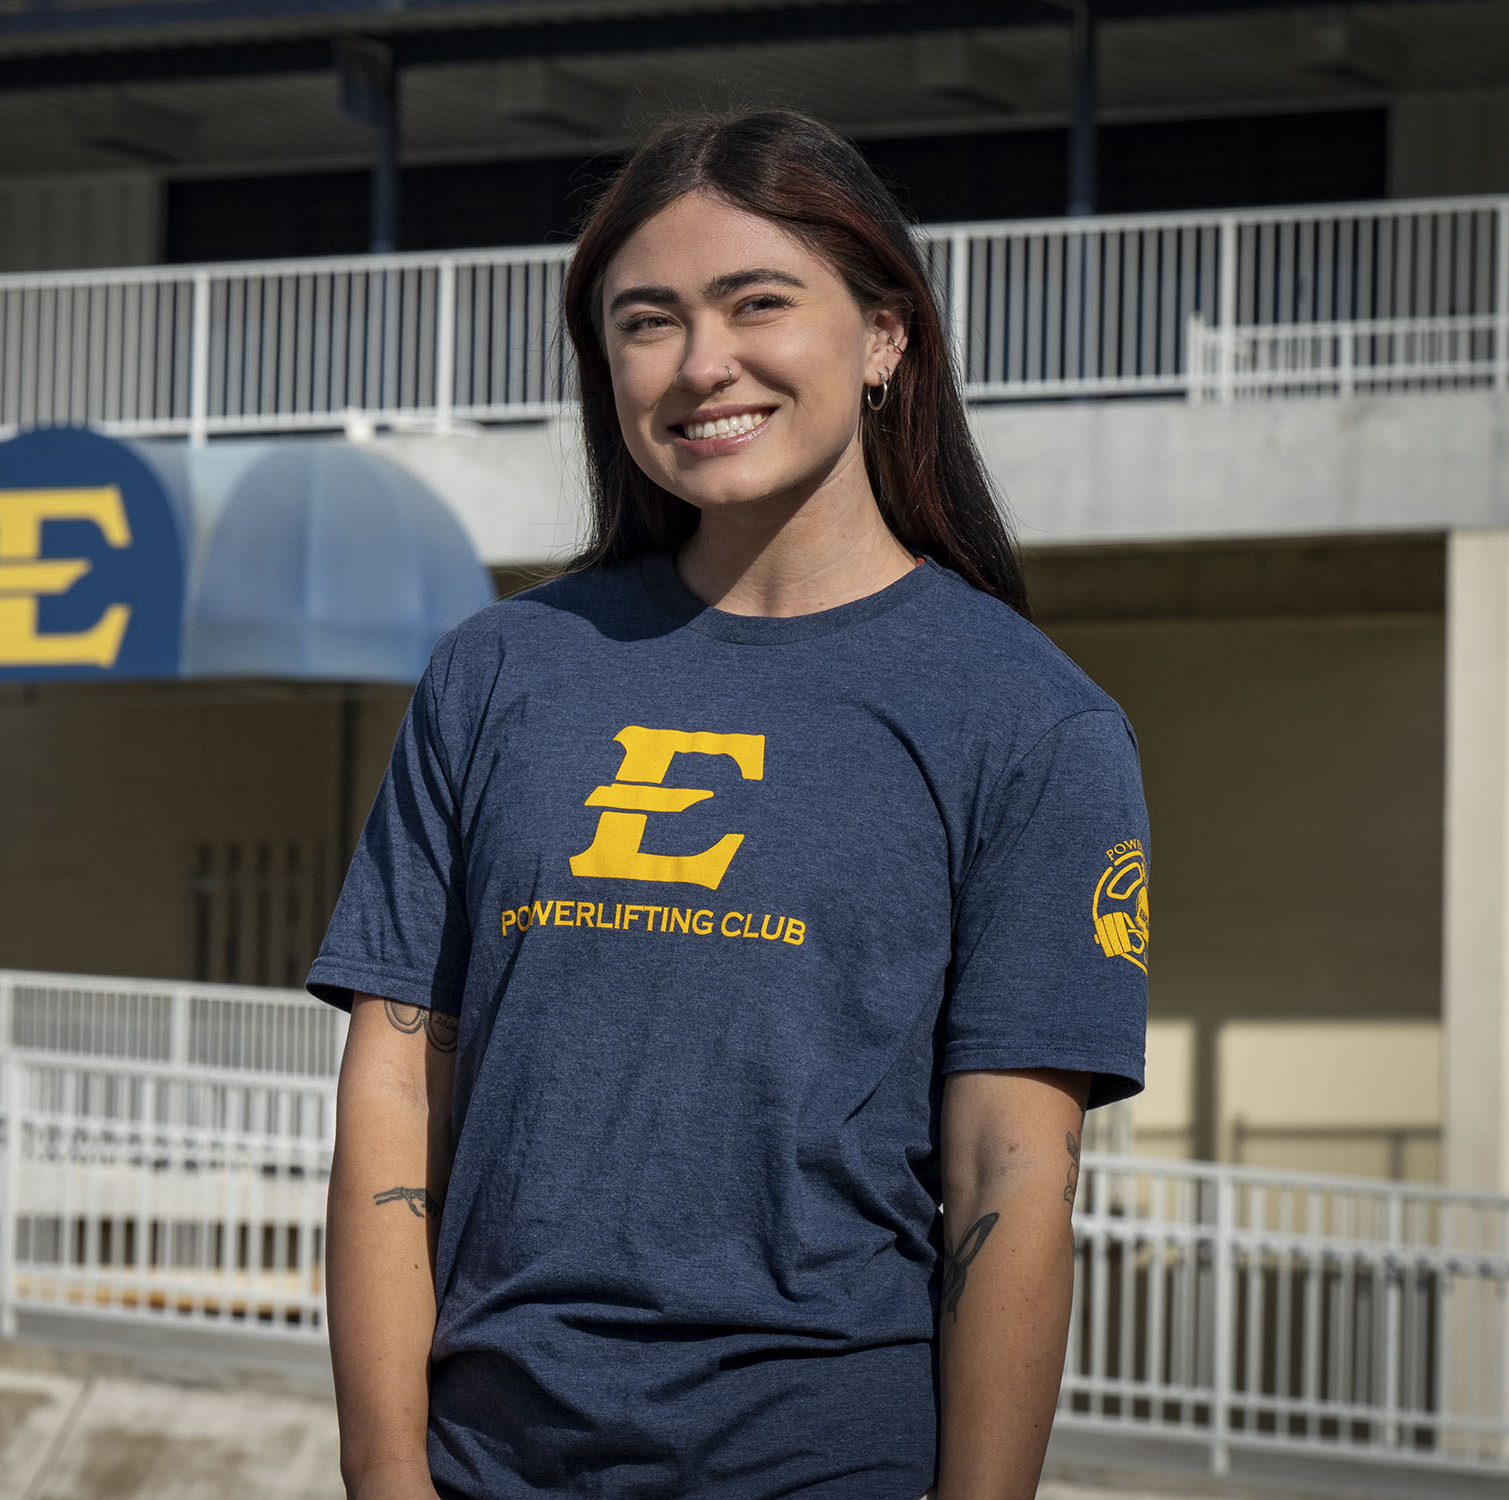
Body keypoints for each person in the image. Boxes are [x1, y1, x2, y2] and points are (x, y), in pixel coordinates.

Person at [309, 109, 1149, 1500]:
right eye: (648, 321)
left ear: (885, 336)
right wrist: (388, 1473)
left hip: (822, 1462)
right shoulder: (501, 672)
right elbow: (397, 1085)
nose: (705, 363)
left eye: (759, 303)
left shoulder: (1032, 720)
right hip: (489, 1461)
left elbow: (1013, 1177)